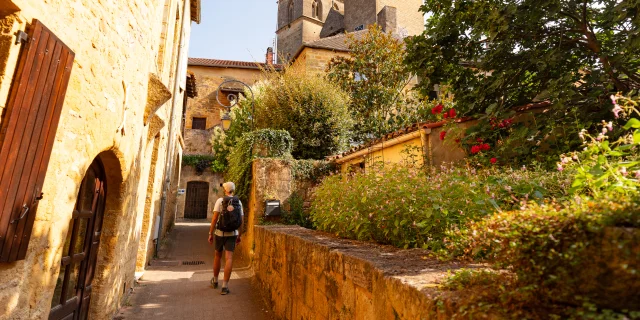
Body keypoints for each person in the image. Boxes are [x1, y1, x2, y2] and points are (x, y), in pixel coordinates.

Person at [208, 182, 243, 295]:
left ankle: (215, 280)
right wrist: (239, 234)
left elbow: (214, 219)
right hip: (232, 233)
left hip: (219, 233)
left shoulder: (220, 201)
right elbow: (241, 220)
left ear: (225, 190)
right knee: (229, 258)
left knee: (217, 256)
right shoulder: (238, 202)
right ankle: (225, 286)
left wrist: (210, 233)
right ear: (233, 190)